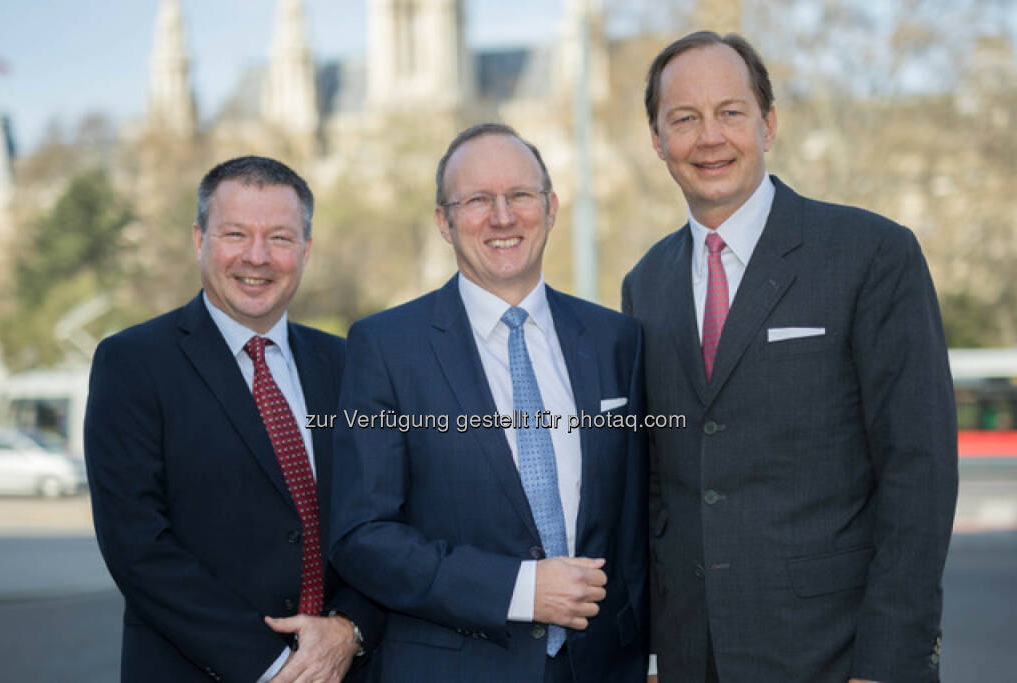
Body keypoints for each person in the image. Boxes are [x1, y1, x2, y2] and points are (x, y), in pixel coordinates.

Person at [622, 32, 958, 683]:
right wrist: (658, 649)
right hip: (694, 660)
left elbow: (919, 472)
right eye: (684, 119)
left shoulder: (871, 255)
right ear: (658, 142)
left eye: (731, 111)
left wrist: (887, 664)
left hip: (836, 658)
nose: (709, 137)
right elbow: (661, 486)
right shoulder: (645, 284)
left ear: (768, 125)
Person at [330, 123, 649, 682]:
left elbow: (640, 515)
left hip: (604, 669)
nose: (502, 217)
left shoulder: (615, 339)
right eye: (477, 199)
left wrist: (651, 655)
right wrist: (520, 590)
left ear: (550, 208)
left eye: (519, 195)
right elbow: (362, 535)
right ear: (443, 222)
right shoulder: (385, 348)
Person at [85, 156, 381, 682]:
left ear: (306, 251)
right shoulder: (132, 363)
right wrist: (277, 668)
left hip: (344, 668)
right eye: (236, 234)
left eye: (281, 239)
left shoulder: (350, 364)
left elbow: (385, 515)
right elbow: (137, 545)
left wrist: (350, 625)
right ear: (199, 240)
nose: (257, 257)